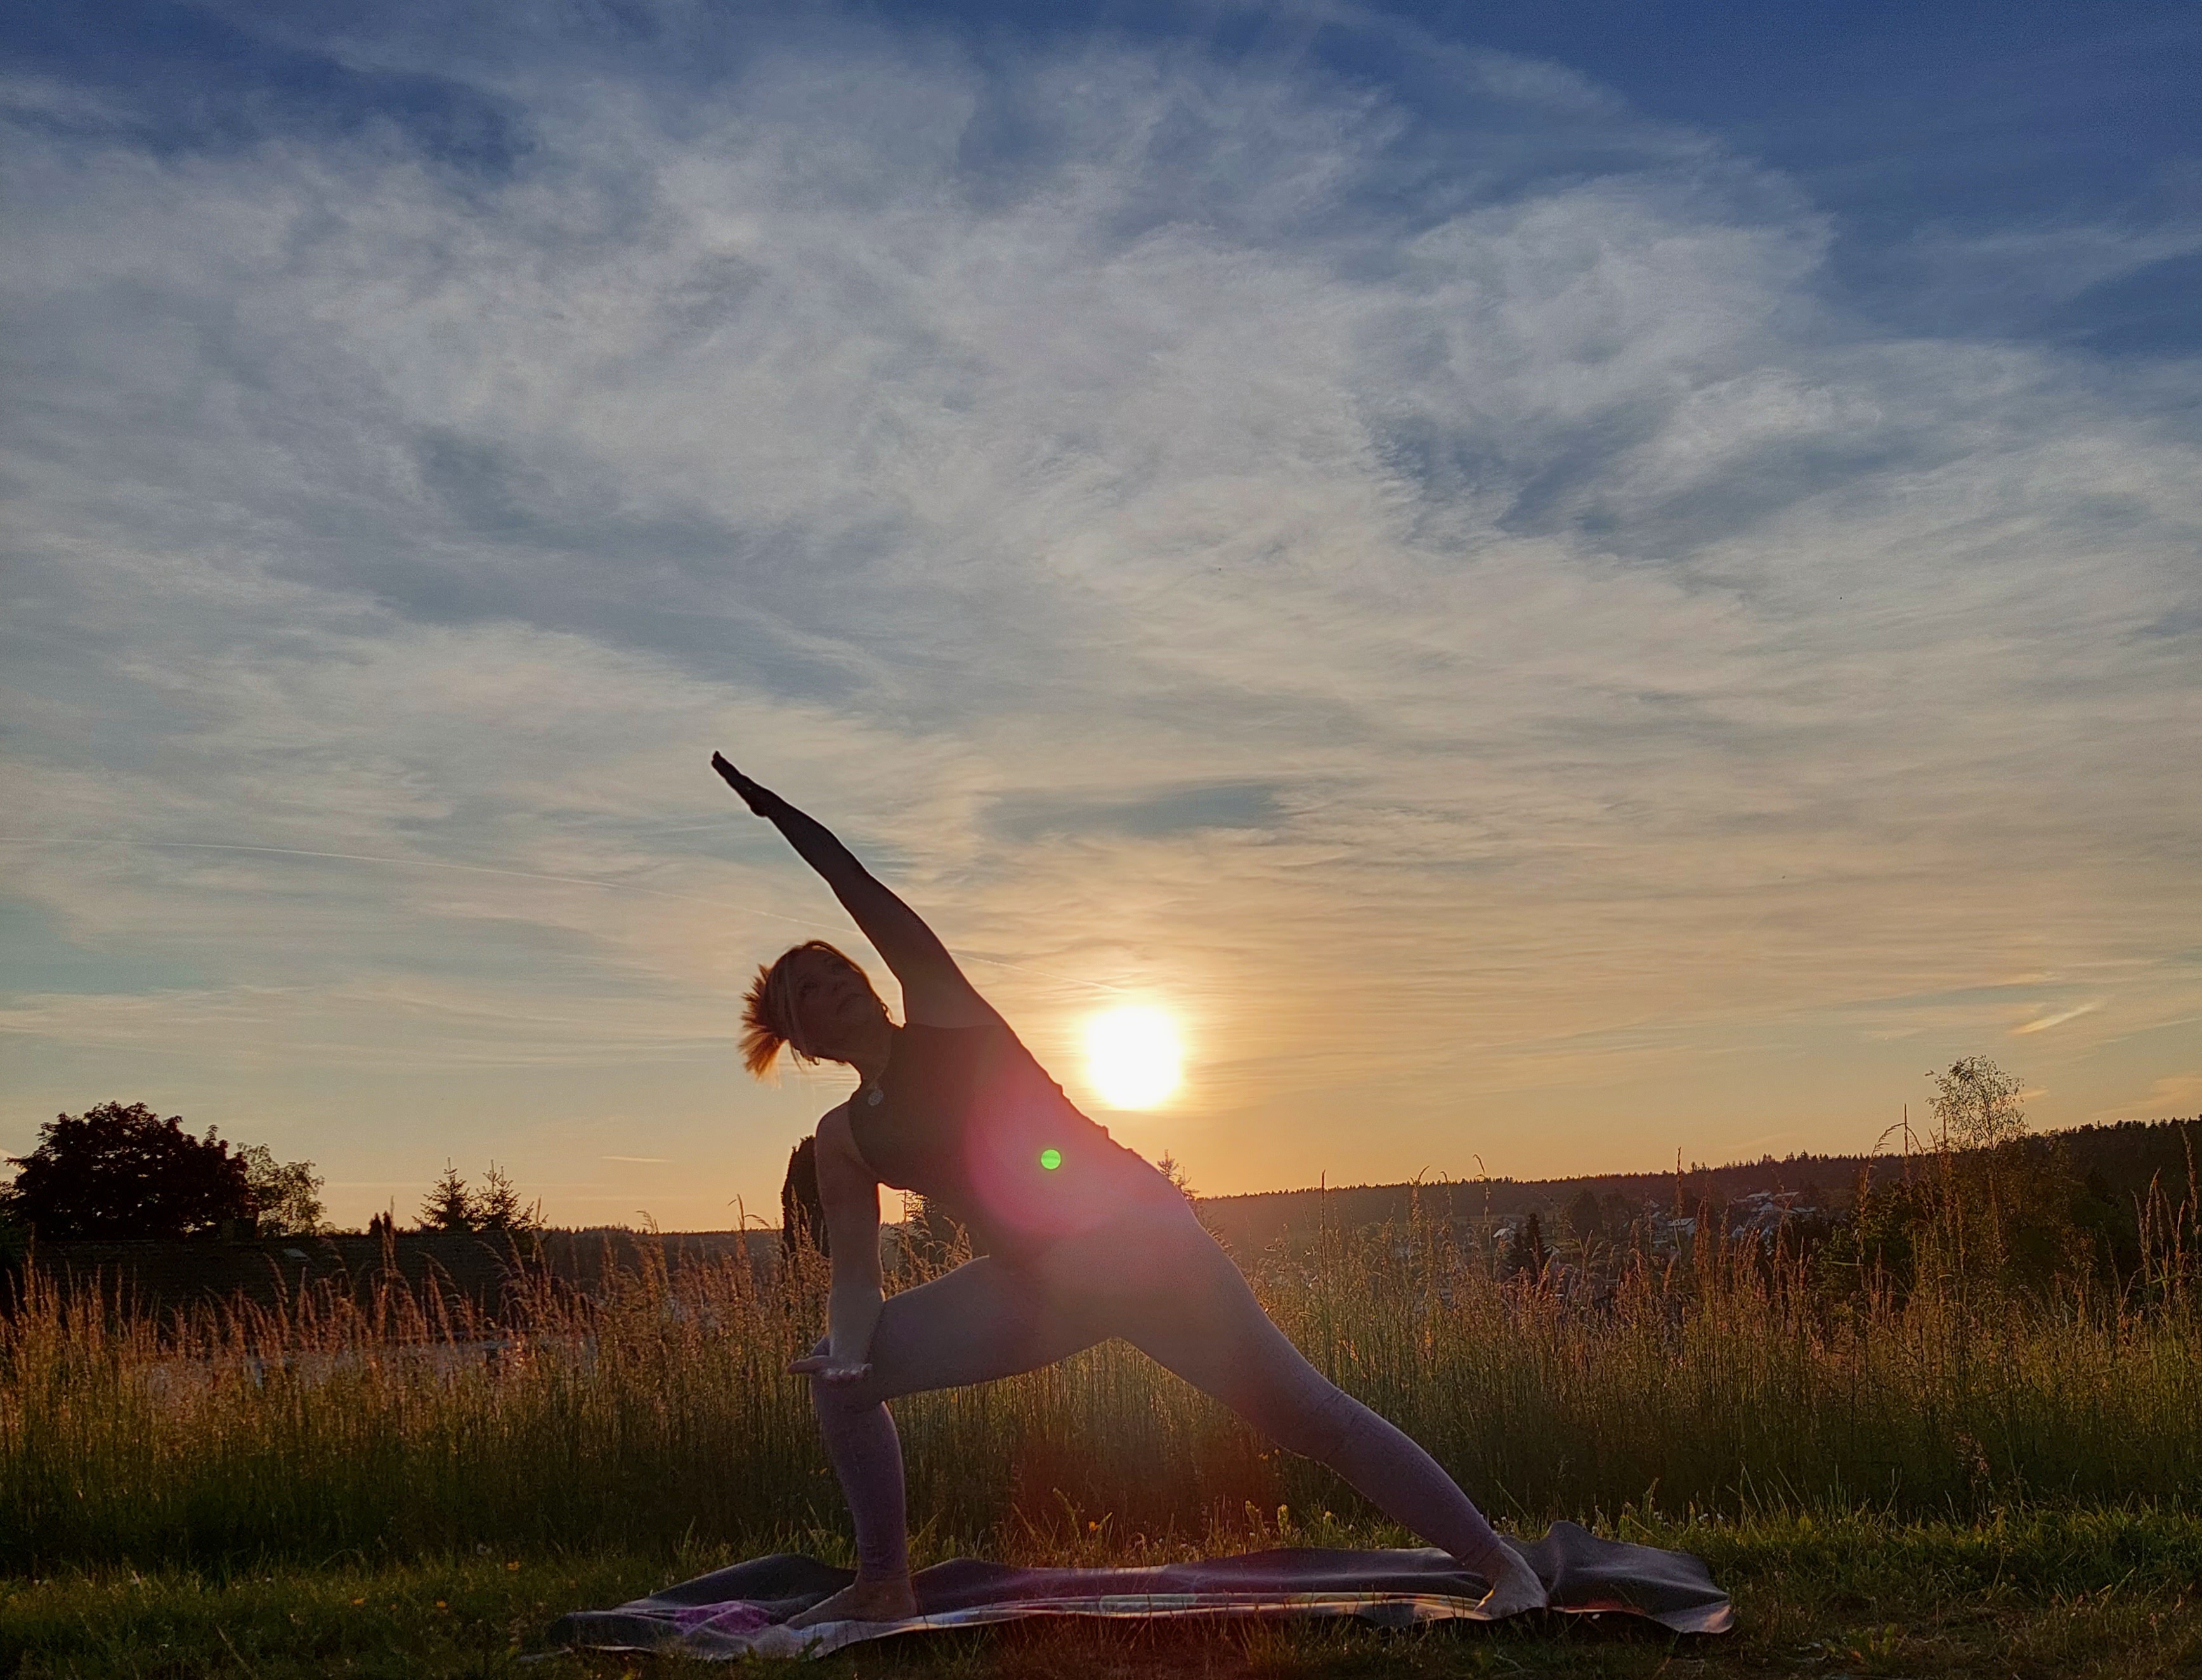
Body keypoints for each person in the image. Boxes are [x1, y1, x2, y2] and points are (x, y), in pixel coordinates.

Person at [712, 752, 1547, 1629]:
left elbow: (859, 886)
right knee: (840, 1382)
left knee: (1307, 1415)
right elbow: (856, 1276)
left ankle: (1501, 1563)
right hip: (1038, 1285)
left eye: (836, 966)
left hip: (1141, 1245)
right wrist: (847, 1347)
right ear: (802, 1039)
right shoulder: (844, 1136)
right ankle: (884, 1582)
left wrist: (783, 815)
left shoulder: (946, 1009)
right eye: (808, 987)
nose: (835, 980)